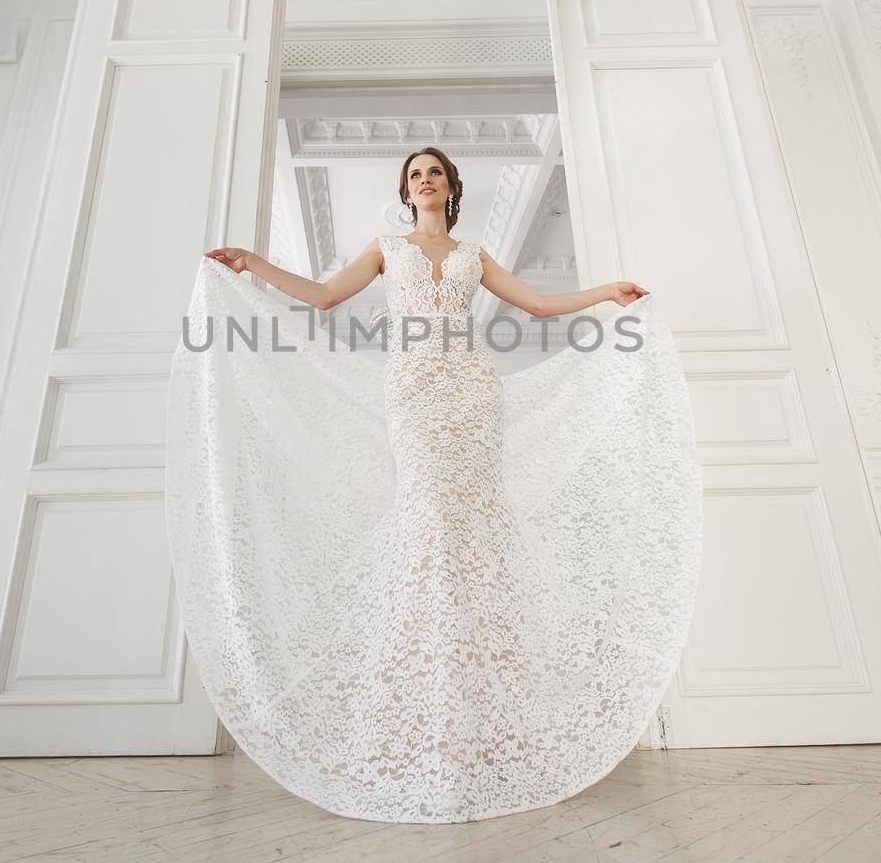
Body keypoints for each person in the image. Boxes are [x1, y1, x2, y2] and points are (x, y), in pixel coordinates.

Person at [165, 147, 703, 823]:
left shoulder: (474, 255)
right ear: (405, 189)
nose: (425, 180)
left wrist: (605, 292)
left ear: (451, 188)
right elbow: (327, 295)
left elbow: (536, 304)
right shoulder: (388, 247)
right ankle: (412, 716)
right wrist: (254, 264)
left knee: (476, 541)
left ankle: (483, 718)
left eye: (435, 172)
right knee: (428, 530)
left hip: (475, 396)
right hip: (416, 394)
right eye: (415, 173)